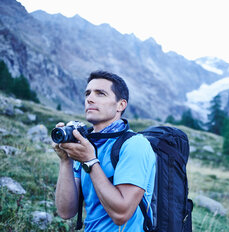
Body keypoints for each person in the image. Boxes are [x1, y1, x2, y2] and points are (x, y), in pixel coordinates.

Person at [53, 70, 156, 231]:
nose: (90, 99)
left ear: (121, 105)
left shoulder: (135, 145)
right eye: (87, 93)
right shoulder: (87, 144)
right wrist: (66, 161)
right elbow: (66, 212)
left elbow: (121, 215)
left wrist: (90, 161)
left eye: (100, 94)